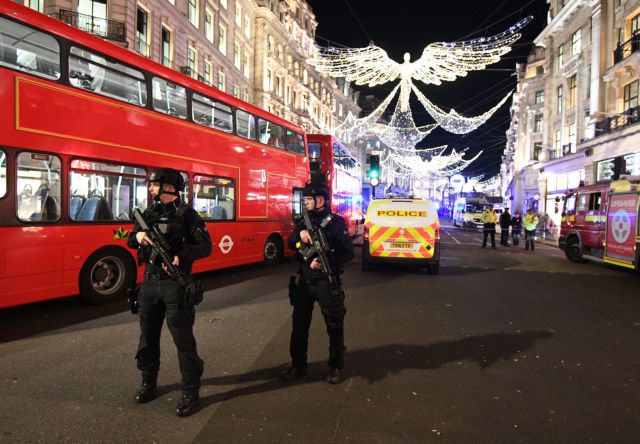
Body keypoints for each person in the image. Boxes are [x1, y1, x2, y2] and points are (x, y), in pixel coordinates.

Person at [127, 168, 212, 417]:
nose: (151, 189)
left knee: (183, 342)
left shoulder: (188, 216)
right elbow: (131, 239)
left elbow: (206, 246)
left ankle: (190, 391)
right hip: (150, 284)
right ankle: (148, 382)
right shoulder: (148, 213)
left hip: (176, 284)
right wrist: (138, 236)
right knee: (147, 339)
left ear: (169, 188)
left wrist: (181, 256)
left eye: (155, 185)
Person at [281, 182, 354, 384]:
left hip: (326, 283)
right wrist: (300, 235)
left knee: (334, 325)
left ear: (321, 200)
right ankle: (298, 366)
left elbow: (348, 253)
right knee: (299, 327)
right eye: (306, 199)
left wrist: (325, 262)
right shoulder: (304, 221)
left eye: (310, 199)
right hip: (305, 281)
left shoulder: (336, 223)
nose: (307, 202)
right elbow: (291, 243)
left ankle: (336, 366)